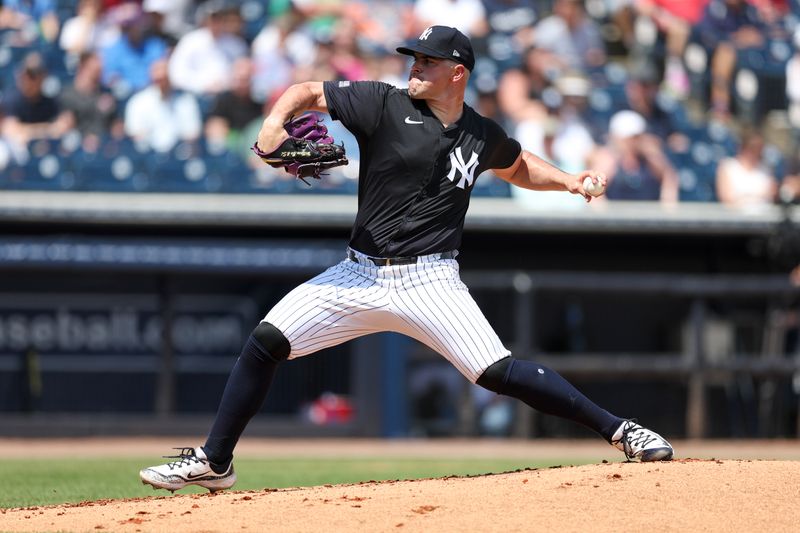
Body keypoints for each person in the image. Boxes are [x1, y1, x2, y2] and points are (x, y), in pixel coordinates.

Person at [139, 26, 674, 493]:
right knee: (266, 342)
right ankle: (216, 461)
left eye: (427, 62)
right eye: (413, 59)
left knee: (497, 372)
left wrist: (571, 181)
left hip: (431, 280)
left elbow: (516, 166)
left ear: (457, 73)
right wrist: (272, 126)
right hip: (358, 273)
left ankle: (622, 430)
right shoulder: (383, 103)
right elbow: (306, 91)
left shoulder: (479, 133)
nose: (414, 68)